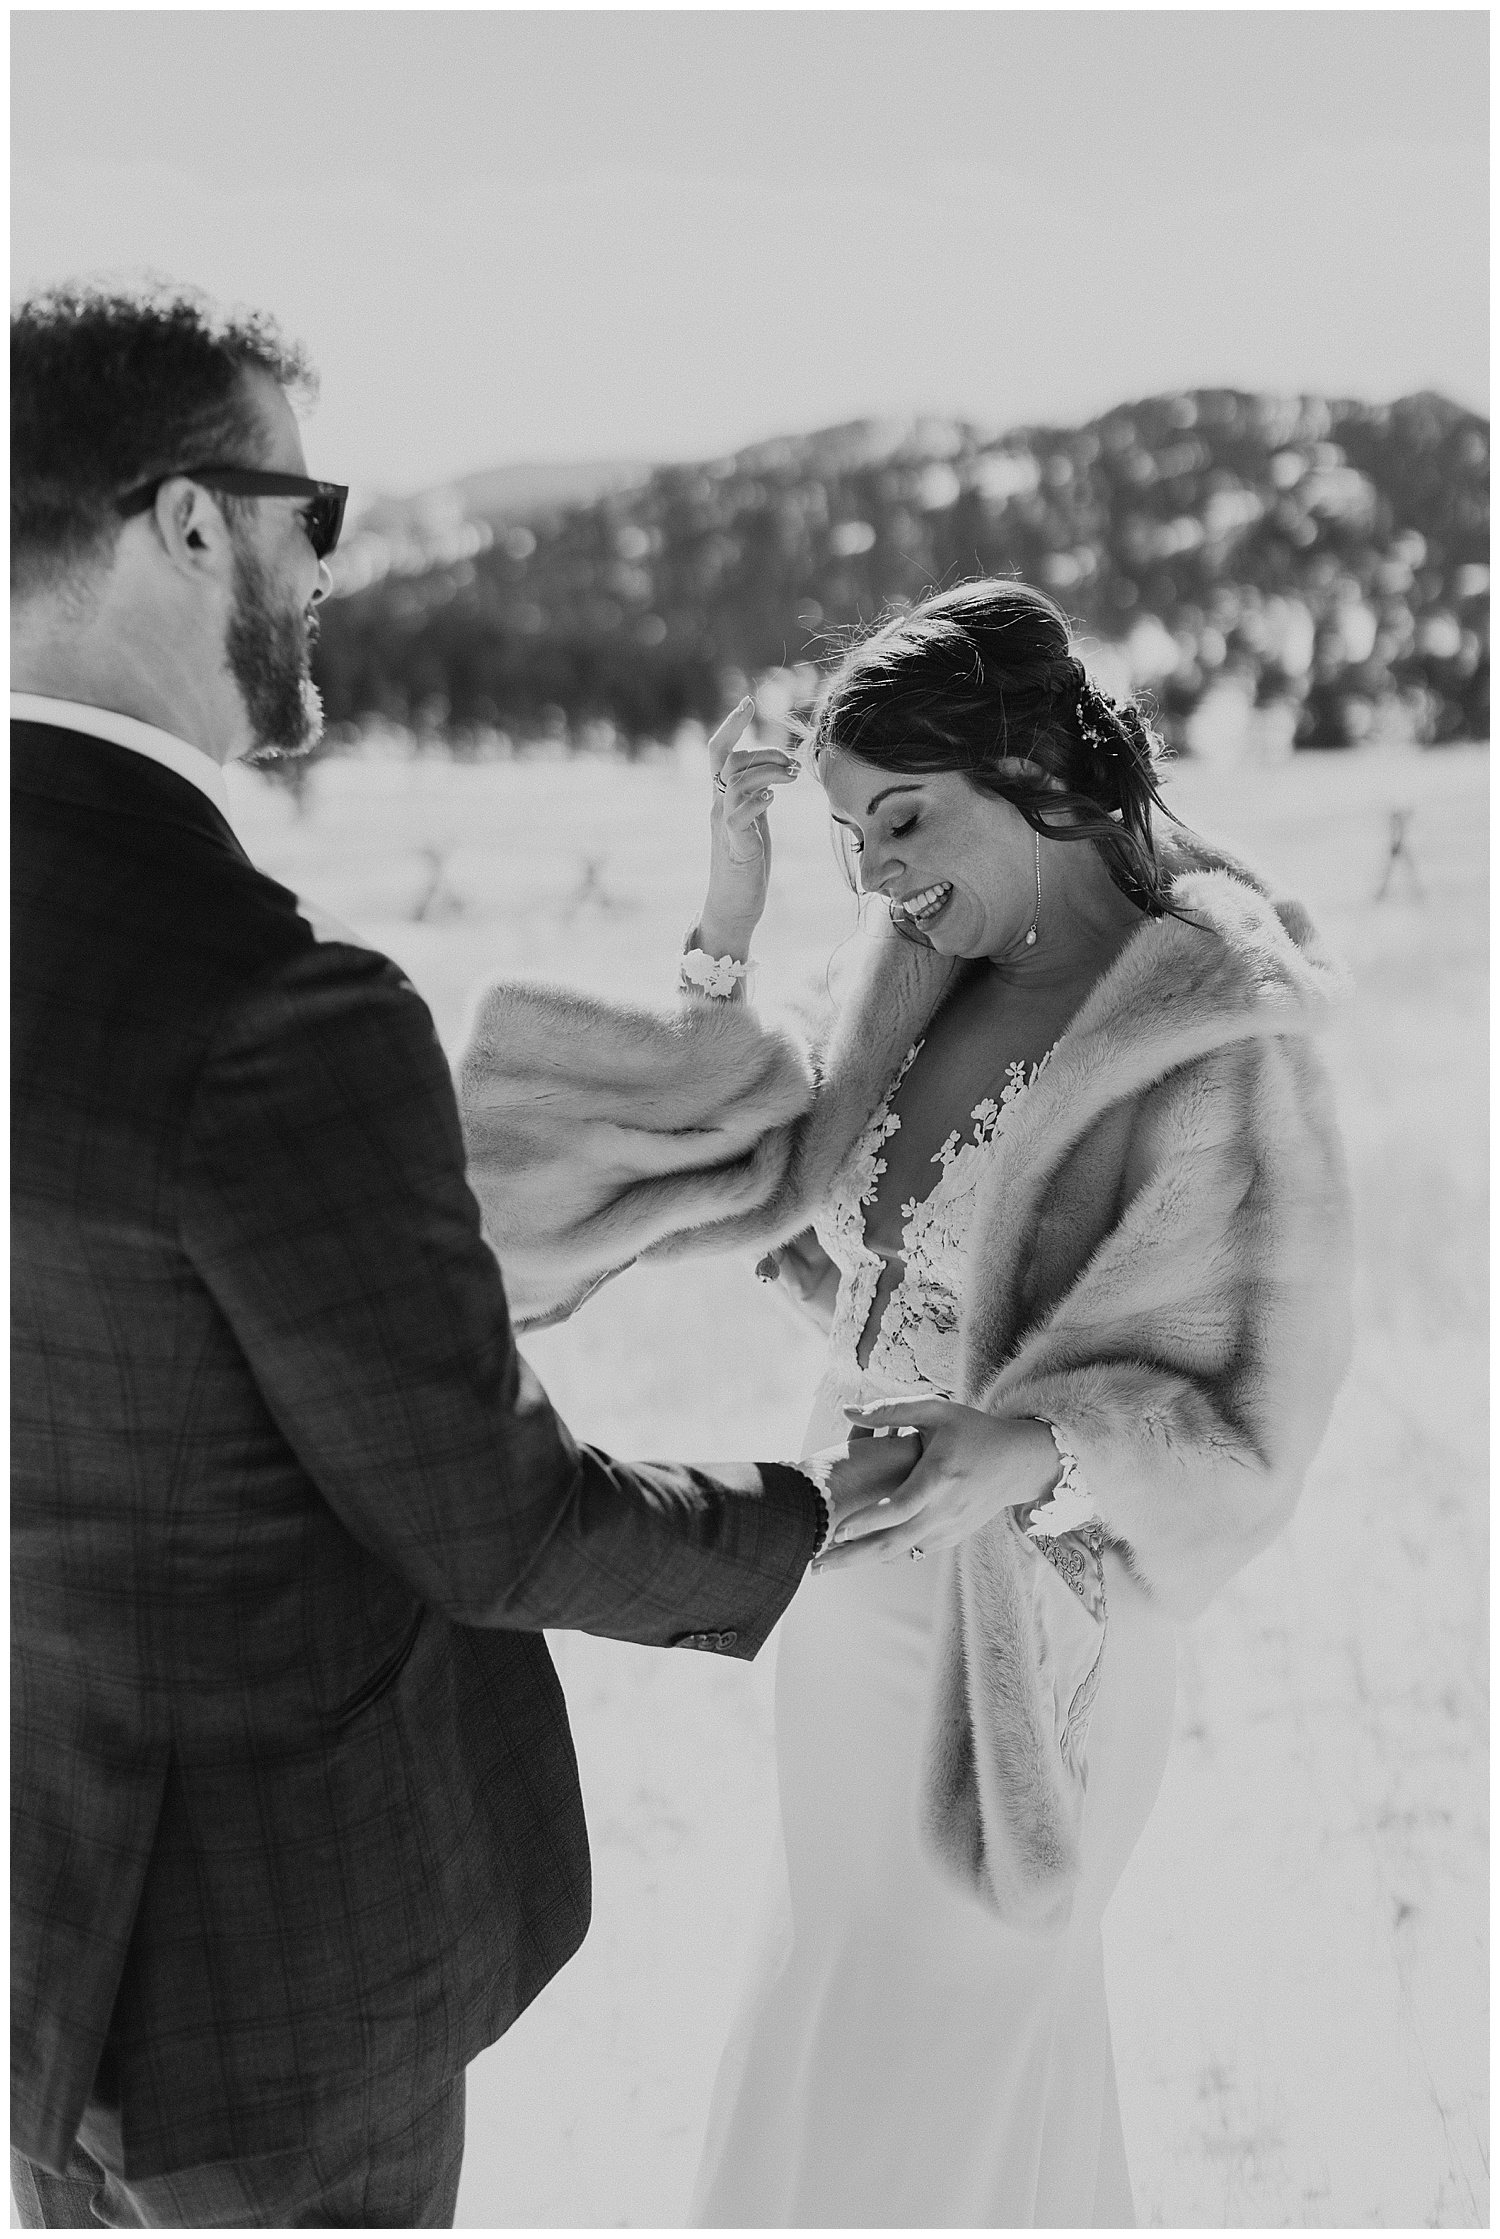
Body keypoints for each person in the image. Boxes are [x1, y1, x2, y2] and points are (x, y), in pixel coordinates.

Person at [9, 281, 918, 2231]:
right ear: (190, 520)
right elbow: (490, 1520)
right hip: (282, 2011)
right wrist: (820, 1514)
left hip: (42, 1948)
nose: (327, 569)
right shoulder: (274, 1009)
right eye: (307, 512)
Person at [458, 577, 1356, 2226]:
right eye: (849, 838)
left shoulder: (1218, 1022)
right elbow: (710, 1154)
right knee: (844, 2009)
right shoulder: (909, 964)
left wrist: (1029, 1450)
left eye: (905, 819)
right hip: (848, 1574)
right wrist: (728, 913)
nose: (874, 874)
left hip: (1044, 1630)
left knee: (934, 2044)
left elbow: (1257, 1408)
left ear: (1039, 771)